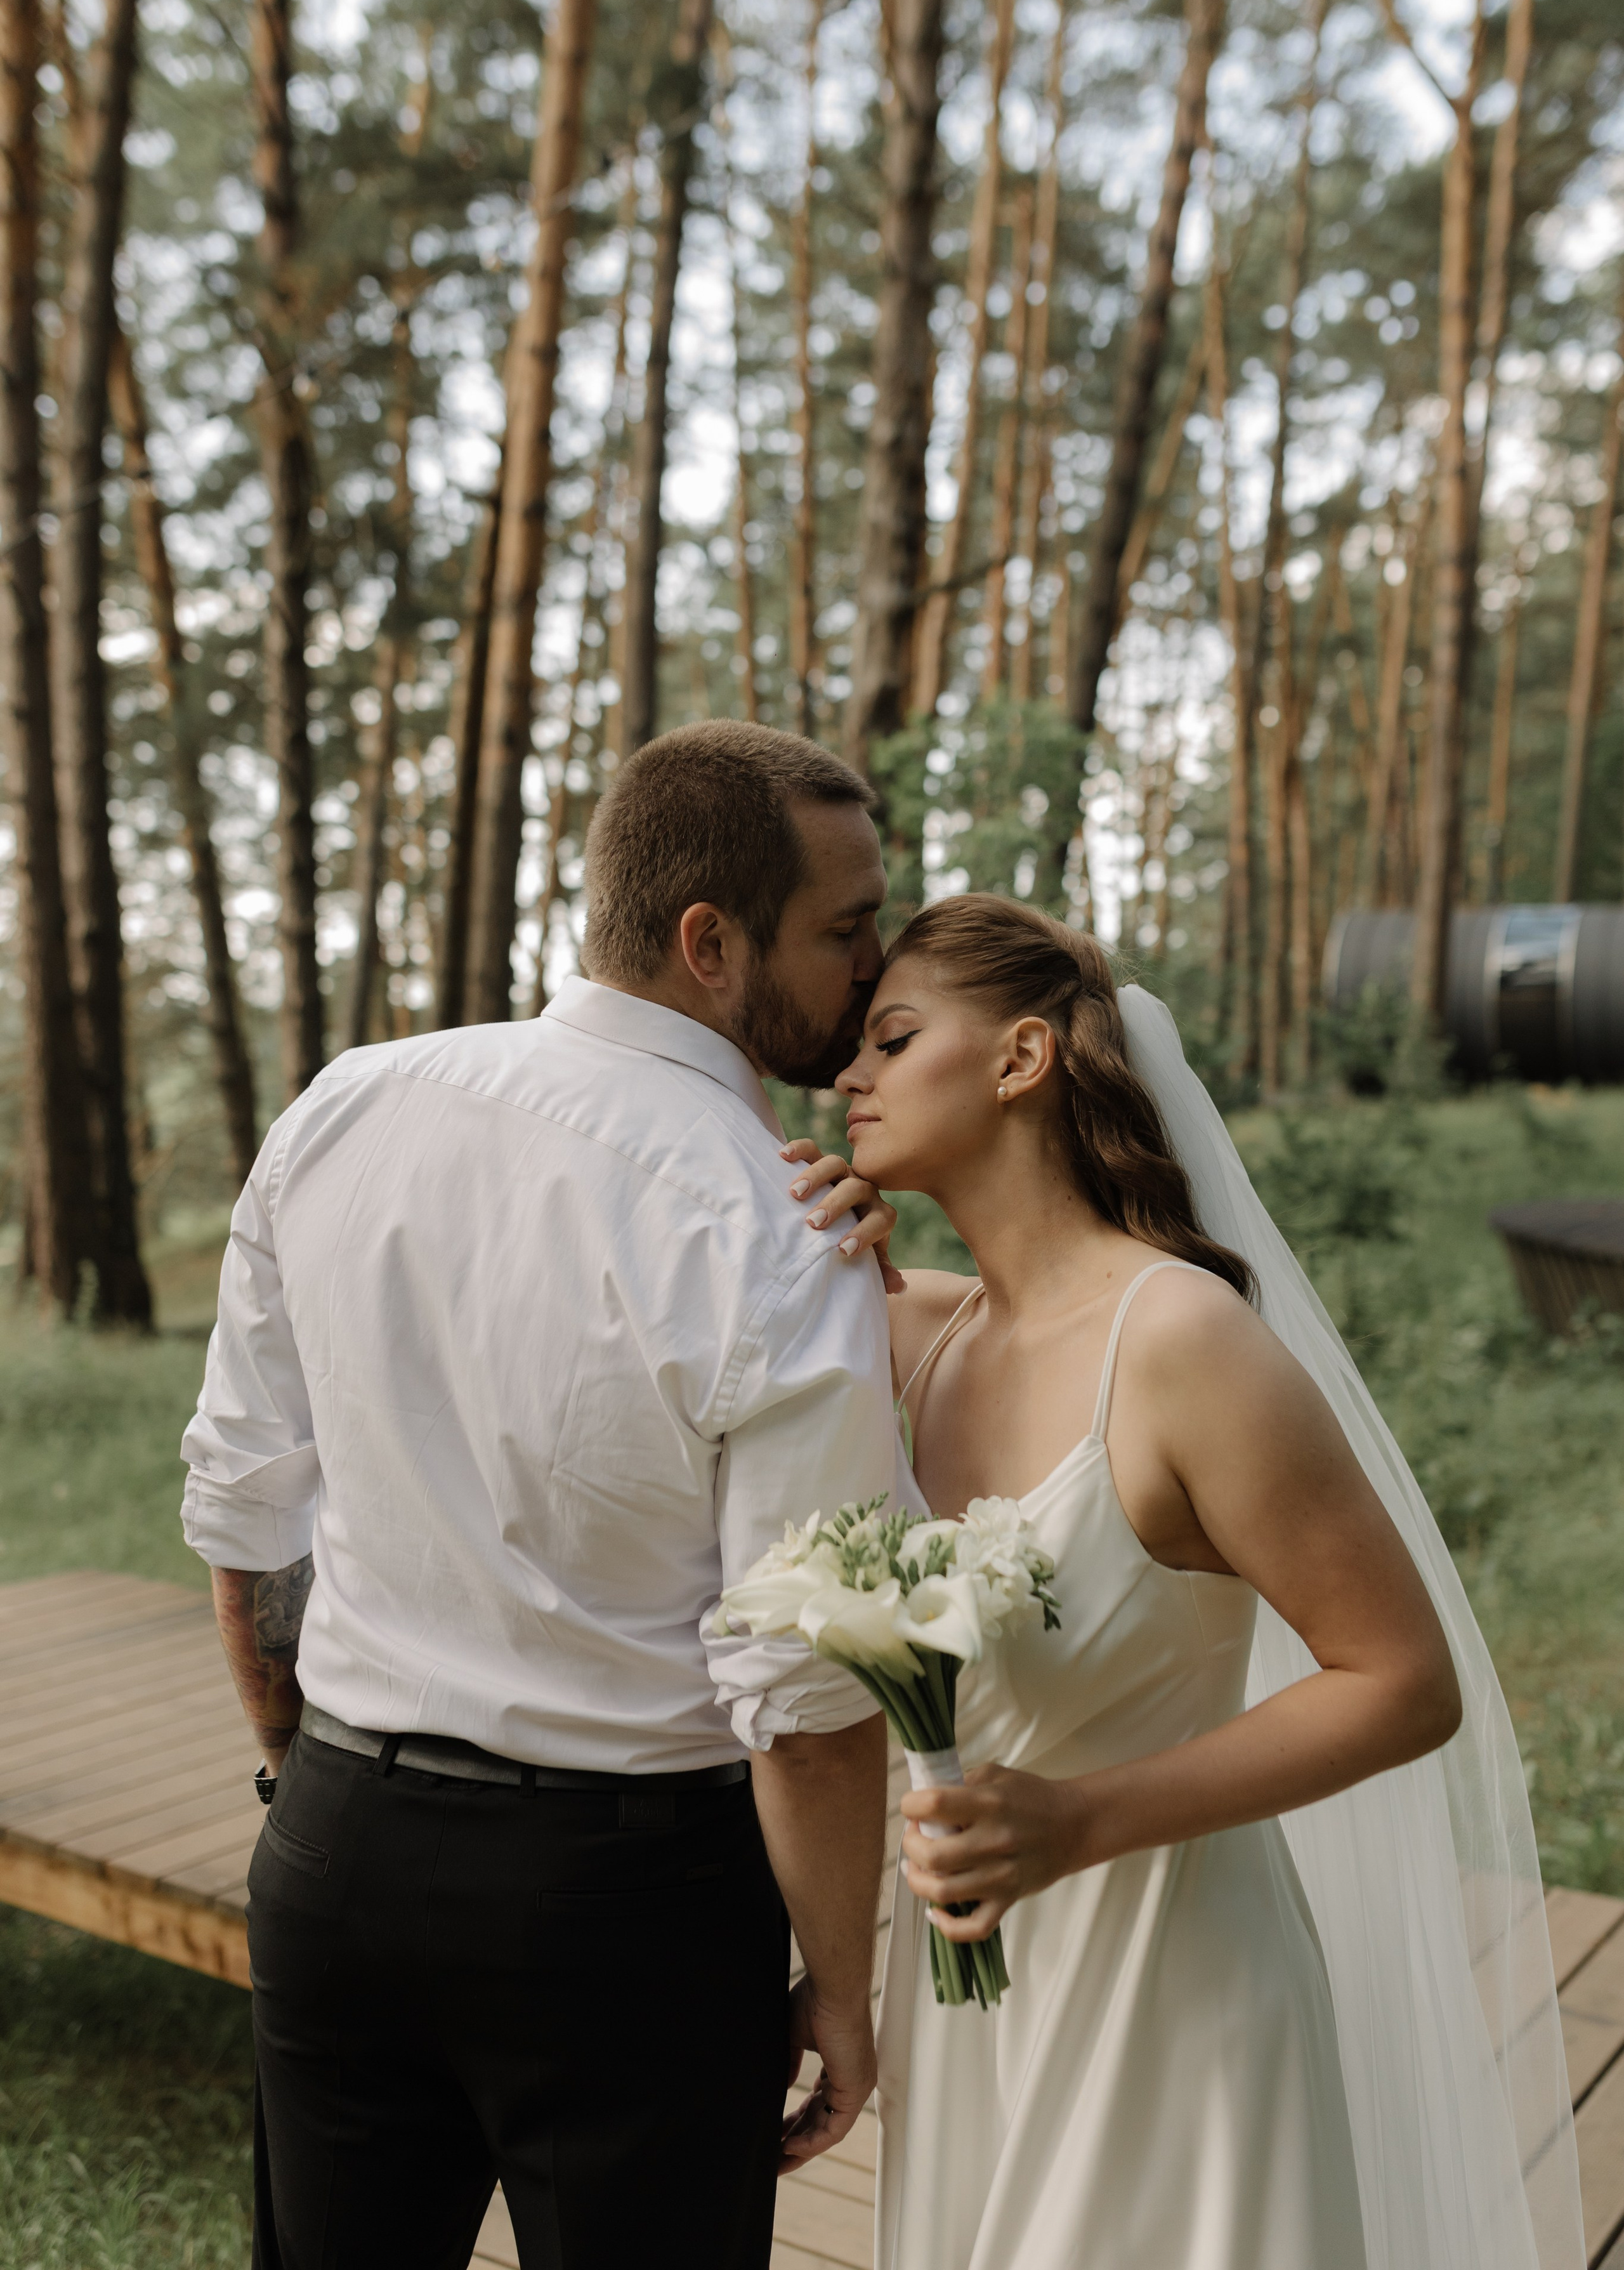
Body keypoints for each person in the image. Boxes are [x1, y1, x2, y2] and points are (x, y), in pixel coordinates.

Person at [180, 721, 904, 2270]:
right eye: (845, 929)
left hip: (333, 1850)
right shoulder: (781, 1232)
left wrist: (303, 1778)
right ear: (710, 942)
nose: (873, 966)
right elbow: (806, 1701)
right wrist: (839, 1985)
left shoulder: (346, 1108)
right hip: (631, 1914)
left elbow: (249, 1507)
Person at [792, 893, 1583, 2270]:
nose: (846, 1077)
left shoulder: (1178, 1340)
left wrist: (1076, 1823)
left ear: (1019, 1059)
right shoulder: (911, 1333)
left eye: (891, 1037)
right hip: (973, 2000)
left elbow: (1401, 1684)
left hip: (1166, 1983)